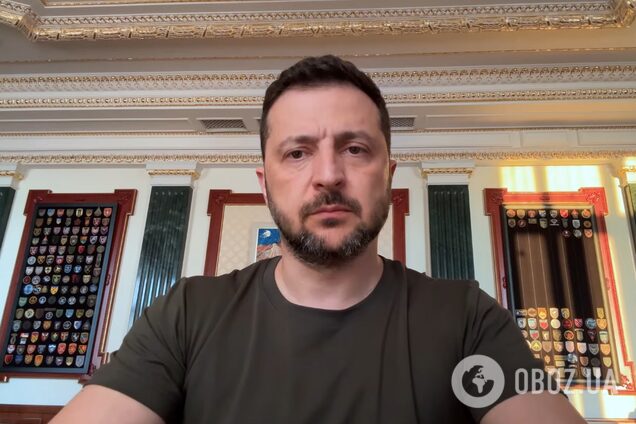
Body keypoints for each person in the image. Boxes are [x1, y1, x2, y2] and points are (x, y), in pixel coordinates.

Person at [51, 55, 586, 423]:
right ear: (265, 184)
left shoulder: (467, 318)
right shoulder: (187, 314)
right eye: (297, 152)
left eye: (355, 149)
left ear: (388, 176)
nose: (328, 175)